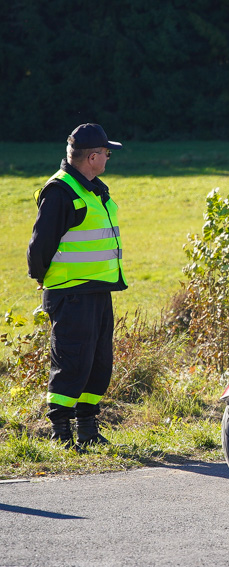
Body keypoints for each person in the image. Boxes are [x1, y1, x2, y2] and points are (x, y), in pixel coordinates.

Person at [27, 123, 126, 449]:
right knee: (71, 362)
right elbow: (39, 249)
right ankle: (61, 433)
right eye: (107, 153)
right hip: (71, 292)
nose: (109, 158)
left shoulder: (92, 187)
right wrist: (45, 280)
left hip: (97, 289)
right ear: (93, 157)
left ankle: (87, 429)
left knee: (98, 363)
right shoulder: (61, 192)